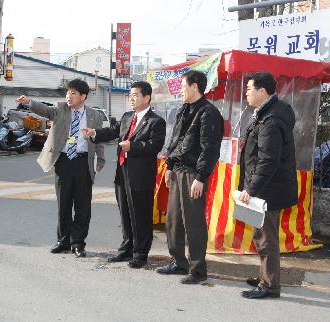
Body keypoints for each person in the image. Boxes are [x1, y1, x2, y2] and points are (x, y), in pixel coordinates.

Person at [16, 79, 105, 258]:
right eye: (67, 93)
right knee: (63, 204)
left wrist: (100, 161)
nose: (68, 96)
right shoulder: (61, 110)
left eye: (73, 93)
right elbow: (45, 110)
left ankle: (78, 243)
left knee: (82, 207)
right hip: (64, 161)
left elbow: (99, 140)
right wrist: (29, 102)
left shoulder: (95, 116)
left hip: (83, 163)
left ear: (83, 96)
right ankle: (63, 241)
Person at [81, 81, 166, 268]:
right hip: (123, 171)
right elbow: (113, 131)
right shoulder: (128, 116)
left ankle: (140, 253)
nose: (132, 99)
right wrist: (94, 132)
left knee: (140, 214)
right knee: (125, 213)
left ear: (147, 97)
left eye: (135, 95)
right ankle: (126, 249)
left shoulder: (156, 121)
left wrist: (132, 146)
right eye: (130, 95)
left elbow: (155, 146)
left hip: (141, 176)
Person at [156, 70, 223, 284]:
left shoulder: (208, 112)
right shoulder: (184, 109)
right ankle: (178, 261)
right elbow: (175, 140)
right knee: (174, 219)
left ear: (195, 87)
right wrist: (169, 166)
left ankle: (197, 269)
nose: (181, 91)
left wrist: (201, 177)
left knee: (193, 222)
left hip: (193, 173)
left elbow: (210, 149)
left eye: (184, 87)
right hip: (177, 171)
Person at [238, 72, 298, 299]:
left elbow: (267, 160)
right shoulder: (268, 112)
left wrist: (251, 189)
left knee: (266, 238)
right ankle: (265, 275)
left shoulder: (271, 120)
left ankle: (270, 285)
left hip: (267, 190)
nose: (246, 92)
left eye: (249, 89)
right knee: (261, 234)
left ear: (262, 92)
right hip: (268, 188)